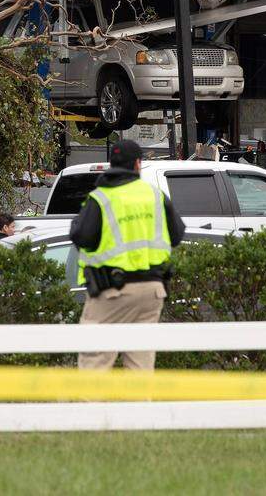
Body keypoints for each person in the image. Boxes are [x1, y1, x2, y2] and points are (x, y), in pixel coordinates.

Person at [70, 139, 184, 371]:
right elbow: (177, 235)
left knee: (94, 364)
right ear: (138, 165)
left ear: (111, 164)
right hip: (151, 291)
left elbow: (82, 237)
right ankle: (140, 408)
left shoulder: (101, 197)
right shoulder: (155, 195)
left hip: (112, 290)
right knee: (140, 366)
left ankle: (90, 409)